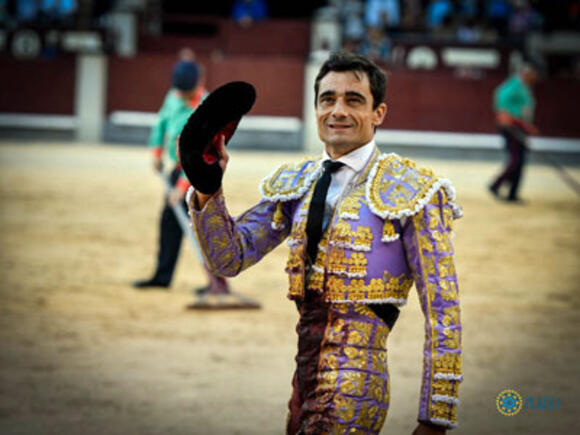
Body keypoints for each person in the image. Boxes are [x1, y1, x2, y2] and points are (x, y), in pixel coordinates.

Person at [185, 52, 462, 434]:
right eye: (327, 99)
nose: (338, 110)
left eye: (354, 100)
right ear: (315, 108)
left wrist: (435, 417)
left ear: (378, 113)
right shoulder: (297, 182)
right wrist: (207, 187)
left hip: (357, 383)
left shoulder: (414, 191)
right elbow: (228, 258)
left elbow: (443, 309)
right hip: (304, 377)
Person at [133, 59, 230, 296]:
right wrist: (156, 151)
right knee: (169, 223)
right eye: (180, 92)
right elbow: (161, 122)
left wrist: (182, 186)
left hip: (201, 170)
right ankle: (162, 277)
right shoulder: (173, 96)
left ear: (199, 84)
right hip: (177, 167)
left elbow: (203, 152)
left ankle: (219, 283)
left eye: (187, 92)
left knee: (203, 226)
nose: (182, 96)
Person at [489, 62, 539, 202]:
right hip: (512, 127)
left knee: (519, 160)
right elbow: (502, 104)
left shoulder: (523, 87)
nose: (535, 77)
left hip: (519, 126)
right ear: (526, 73)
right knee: (516, 159)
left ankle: (512, 193)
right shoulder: (515, 85)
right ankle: (496, 185)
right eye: (533, 74)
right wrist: (517, 123)